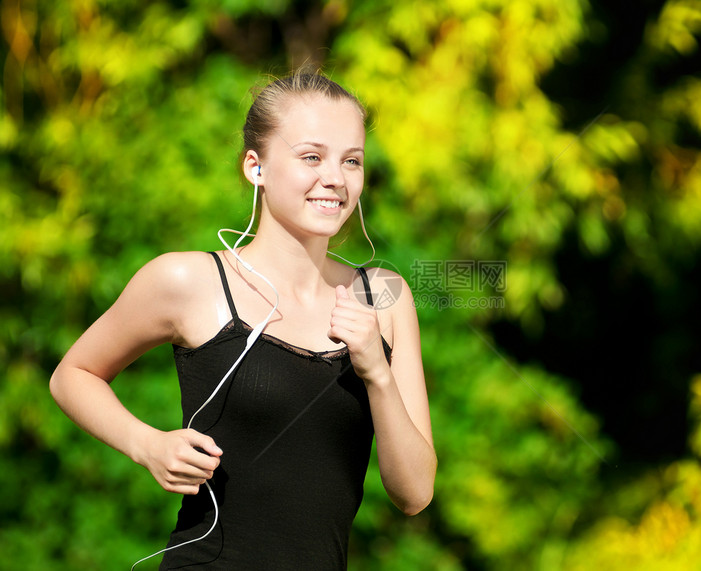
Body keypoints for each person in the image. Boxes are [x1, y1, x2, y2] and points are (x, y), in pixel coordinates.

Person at [49, 70, 436, 569]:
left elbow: (415, 492)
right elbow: (71, 376)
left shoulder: (384, 296)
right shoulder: (187, 280)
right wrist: (147, 444)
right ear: (256, 166)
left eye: (352, 161)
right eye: (311, 157)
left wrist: (377, 373)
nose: (335, 178)